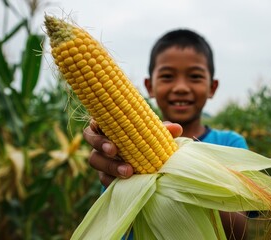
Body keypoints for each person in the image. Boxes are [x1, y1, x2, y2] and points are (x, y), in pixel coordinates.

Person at [83, 29, 249, 239]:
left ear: (212, 87)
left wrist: (183, 172)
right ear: (149, 86)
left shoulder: (230, 144)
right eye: (168, 76)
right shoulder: (120, 152)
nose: (180, 87)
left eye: (195, 77)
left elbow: (239, 233)